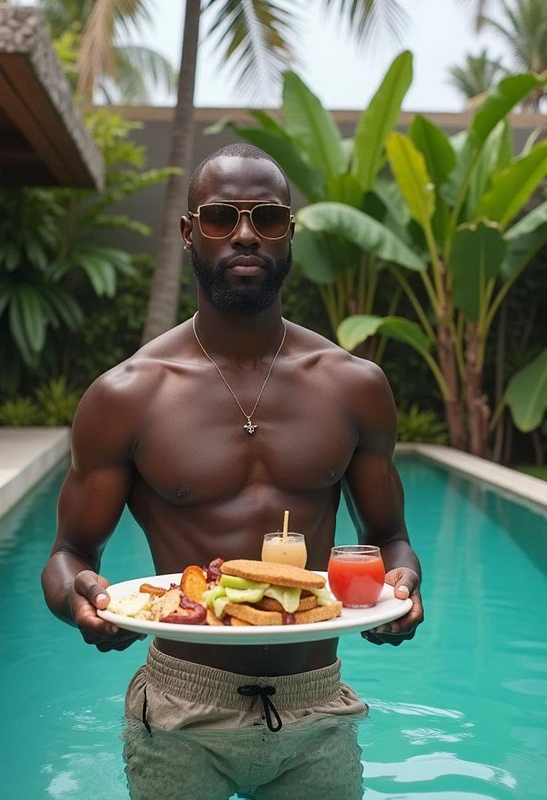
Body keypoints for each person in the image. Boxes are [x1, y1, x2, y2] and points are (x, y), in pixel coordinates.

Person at [41, 142, 424, 800]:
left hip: (317, 700)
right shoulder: (127, 395)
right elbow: (69, 553)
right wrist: (78, 600)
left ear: (290, 234)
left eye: (268, 217)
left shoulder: (353, 386)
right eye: (222, 217)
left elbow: (391, 539)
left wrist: (404, 584)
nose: (246, 234)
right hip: (182, 705)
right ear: (190, 232)